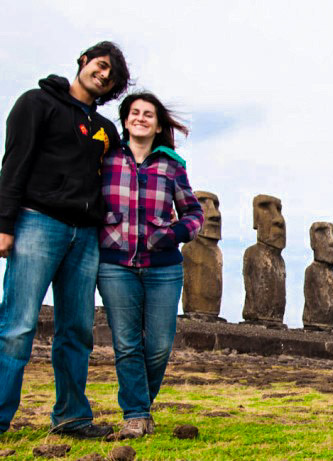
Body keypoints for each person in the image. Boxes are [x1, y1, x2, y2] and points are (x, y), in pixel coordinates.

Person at [0, 41, 130, 438]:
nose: (104, 76)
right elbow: (14, 162)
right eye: (102, 65)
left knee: (77, 329)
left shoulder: (106, 130)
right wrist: (4, 224)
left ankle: (72, 417)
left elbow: (124, 176)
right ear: (84, 61)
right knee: (18, 325)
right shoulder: (36, 103)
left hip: (86, 235)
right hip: (38, 223)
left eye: (112, 75)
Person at [97, 92, 203, 439]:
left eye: (149, 114)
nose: (141, 118)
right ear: (125, 119)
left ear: (158, 125)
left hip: (163, 266)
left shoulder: (171, 164)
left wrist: (172, 234)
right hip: (115, 263)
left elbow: (194, 213)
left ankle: (141, 405)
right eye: (135, 113)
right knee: (127, 342)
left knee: (158, 345)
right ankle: (136, 414)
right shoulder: (106, 158)